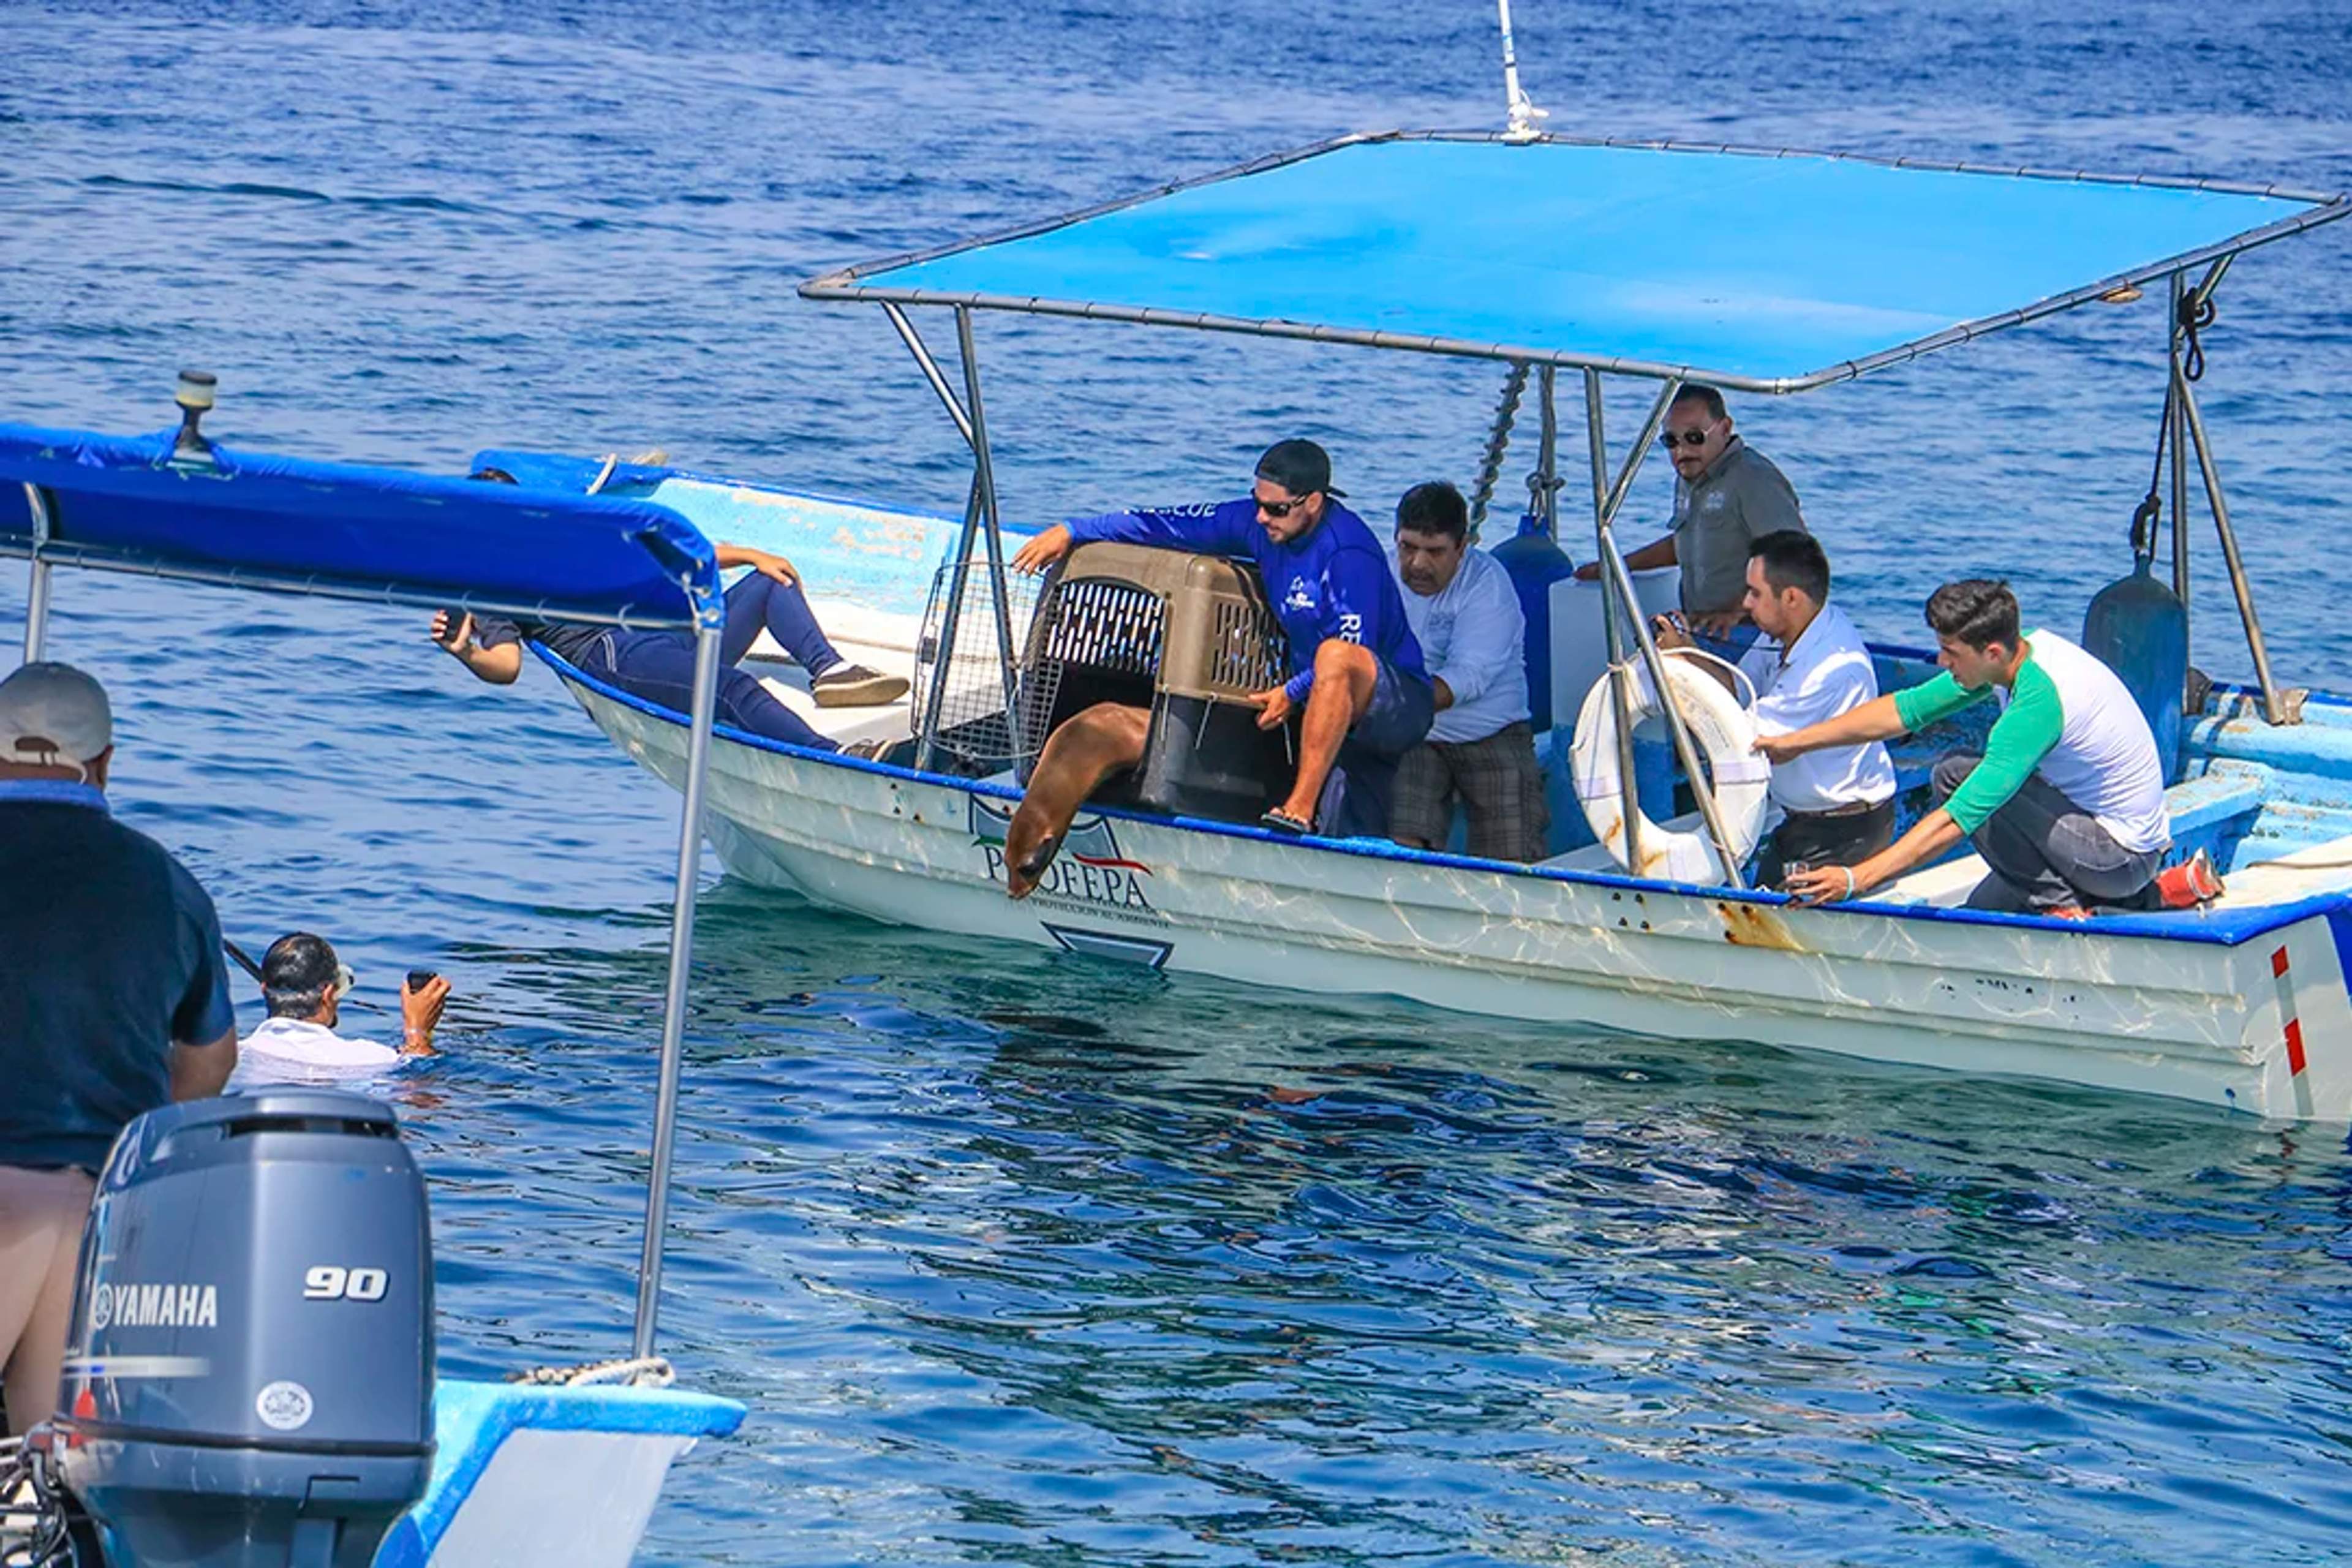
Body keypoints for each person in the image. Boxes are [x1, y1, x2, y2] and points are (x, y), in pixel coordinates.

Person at [1004, 439, 1431, 883]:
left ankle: (1299, 810)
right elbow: (1164, 524)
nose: (1262, 517)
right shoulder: (1256, 523)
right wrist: (1074, 530)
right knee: (1105, 726)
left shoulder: (1348, 552)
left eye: (1276, 509)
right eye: (1258, 503)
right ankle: (1033, 847)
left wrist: (1293, 690)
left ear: (1315, 502)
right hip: (1306, 699)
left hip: (1393, 701)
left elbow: (1353, 649)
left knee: (1336, 659)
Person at [0, 663, 237, 1434]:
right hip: (103, 1215)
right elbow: (211, 1062)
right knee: (51, 1486)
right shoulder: (169, 885)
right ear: (104, 762)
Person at [1762, 579, 2214, 916]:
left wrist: (1855, 878)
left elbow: (1958, 819)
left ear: (1992, 652)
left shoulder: (2037, 704)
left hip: (2116, 858)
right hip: (2108, 845)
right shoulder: (2021, 652)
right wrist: (1795, 742)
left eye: (1950, 653)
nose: (1941, 663)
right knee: (1979, 908)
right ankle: (2158, 894)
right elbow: (1906, 709)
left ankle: (2061, 908)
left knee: (1955, 775)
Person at [433, 468, 905, 753]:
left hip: (661, 629)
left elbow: (661, 552)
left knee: (768, 582)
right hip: (614, 653)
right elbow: (507, 665)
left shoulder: (565, 539)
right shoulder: (492, 584)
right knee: (729, 688)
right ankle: (834, 754)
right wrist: (466, 653)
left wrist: (748, 555)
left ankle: (832, 672)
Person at [1654, 530, 1895, 884]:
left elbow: (1746, 739)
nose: (1746, 604)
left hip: (1842, 831)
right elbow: (1739, 689)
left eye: (1755, 593)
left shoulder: (1826, 671)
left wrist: (1681, 668)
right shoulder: (1785, 629)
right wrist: (1688, 652)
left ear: (1792, 598)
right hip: (1803, 820)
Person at [1385, 480, 1548, 862]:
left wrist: (1391, 701)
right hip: (1417, 736)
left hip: (1491, 732)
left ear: (1462, 547)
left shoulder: (1488, 584)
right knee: (1400, 848)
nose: (1418, 564)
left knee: (1512, 862)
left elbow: (1469, 676)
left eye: (1435, 552)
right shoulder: (1381, 573)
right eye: (1408, 547)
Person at [1575, 384, 1805, 654]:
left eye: (1695, 437)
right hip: (1702, 631)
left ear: (1725, 428)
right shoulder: (1691, 474)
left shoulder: (1754, 479)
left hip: (1752, 637)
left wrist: (1736, 610)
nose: (1682, 450)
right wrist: (1615, 567)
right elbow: (1688, 541)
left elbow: (1794, 556)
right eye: (1671, 441)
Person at [232, 933, 450, 1084]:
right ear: (328, 995)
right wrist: (417, 1033)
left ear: (264, 990)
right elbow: (418, 1099)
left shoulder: (231, 1057)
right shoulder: (371, 1059)